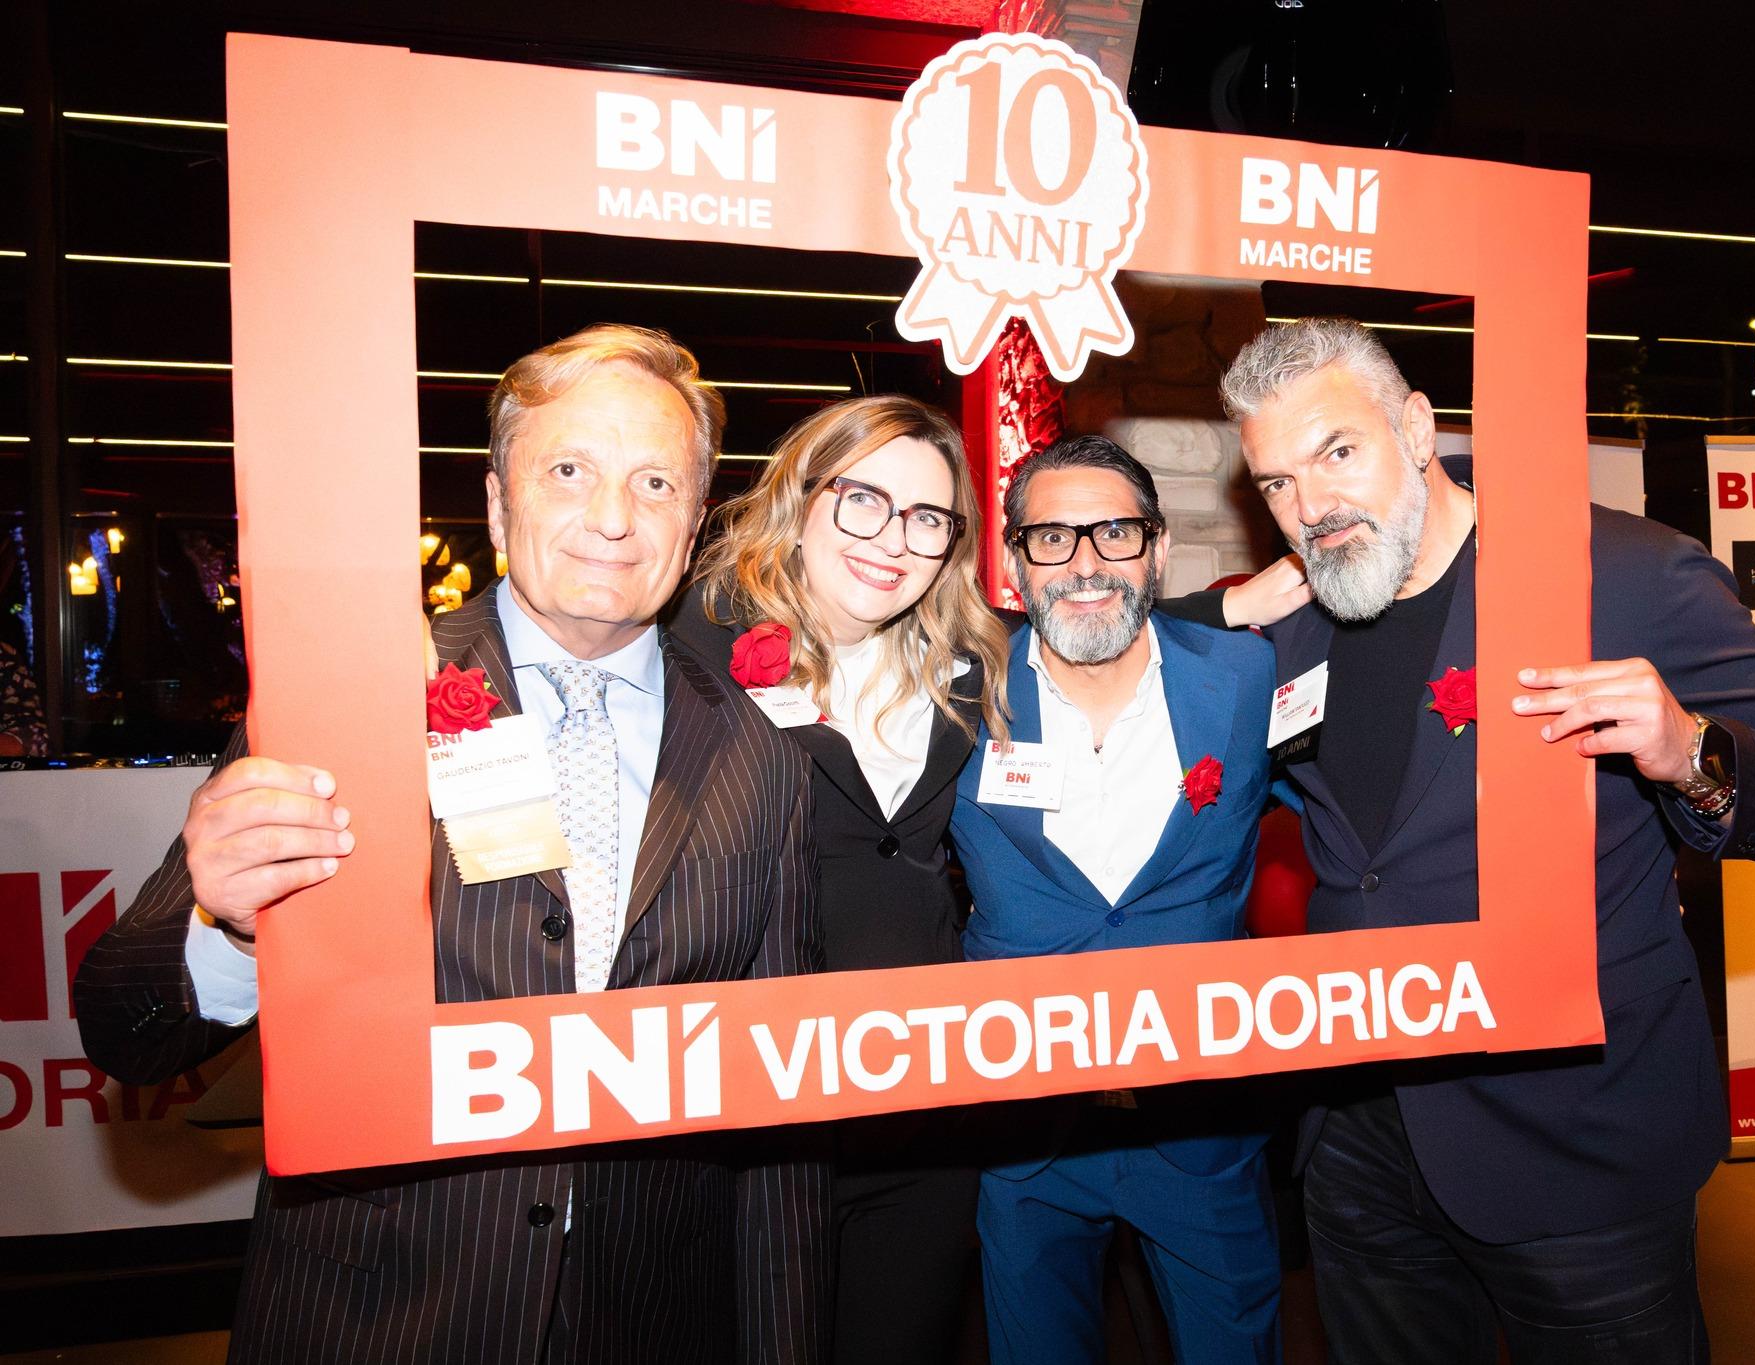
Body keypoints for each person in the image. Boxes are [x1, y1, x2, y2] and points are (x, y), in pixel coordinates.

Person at [74, 324, 828, 1365]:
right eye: (569, 471)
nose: (613, 518)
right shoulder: (351, 699)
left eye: (655, 483)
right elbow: (128, 1028)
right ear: (495, 501)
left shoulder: (761, 757)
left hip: (650, 1313)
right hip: (382, 1315)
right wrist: (234, 932)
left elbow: (779, 1105)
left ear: (694, 519)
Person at [1205, 317, 1755, 1363]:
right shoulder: (1291, 611)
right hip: (1358, 1136)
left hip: (1576, 1139)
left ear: (1415, 427)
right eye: (1276, 482)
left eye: (1336, 452)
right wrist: (1222, 612)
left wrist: (1689, 749)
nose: (1311, 505)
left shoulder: (1623, 571)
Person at [671, 394, 1011, 1365]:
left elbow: (1096, 627)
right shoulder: (690, 640)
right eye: (863, 499)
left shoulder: (964, 661)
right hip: (758, 1111)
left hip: (922, 1101)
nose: (892, 540)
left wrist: (1226, 606)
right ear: (801, 497)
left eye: (927, 518)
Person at [949, 435, 1285, 1365]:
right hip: (1026, 1130)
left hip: (1204, 1127)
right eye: (1053, 537)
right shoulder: (952, 695)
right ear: (1016, 561)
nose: (1086, 563)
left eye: (1116, 533)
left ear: (1159, 549)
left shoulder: (1245, 679)